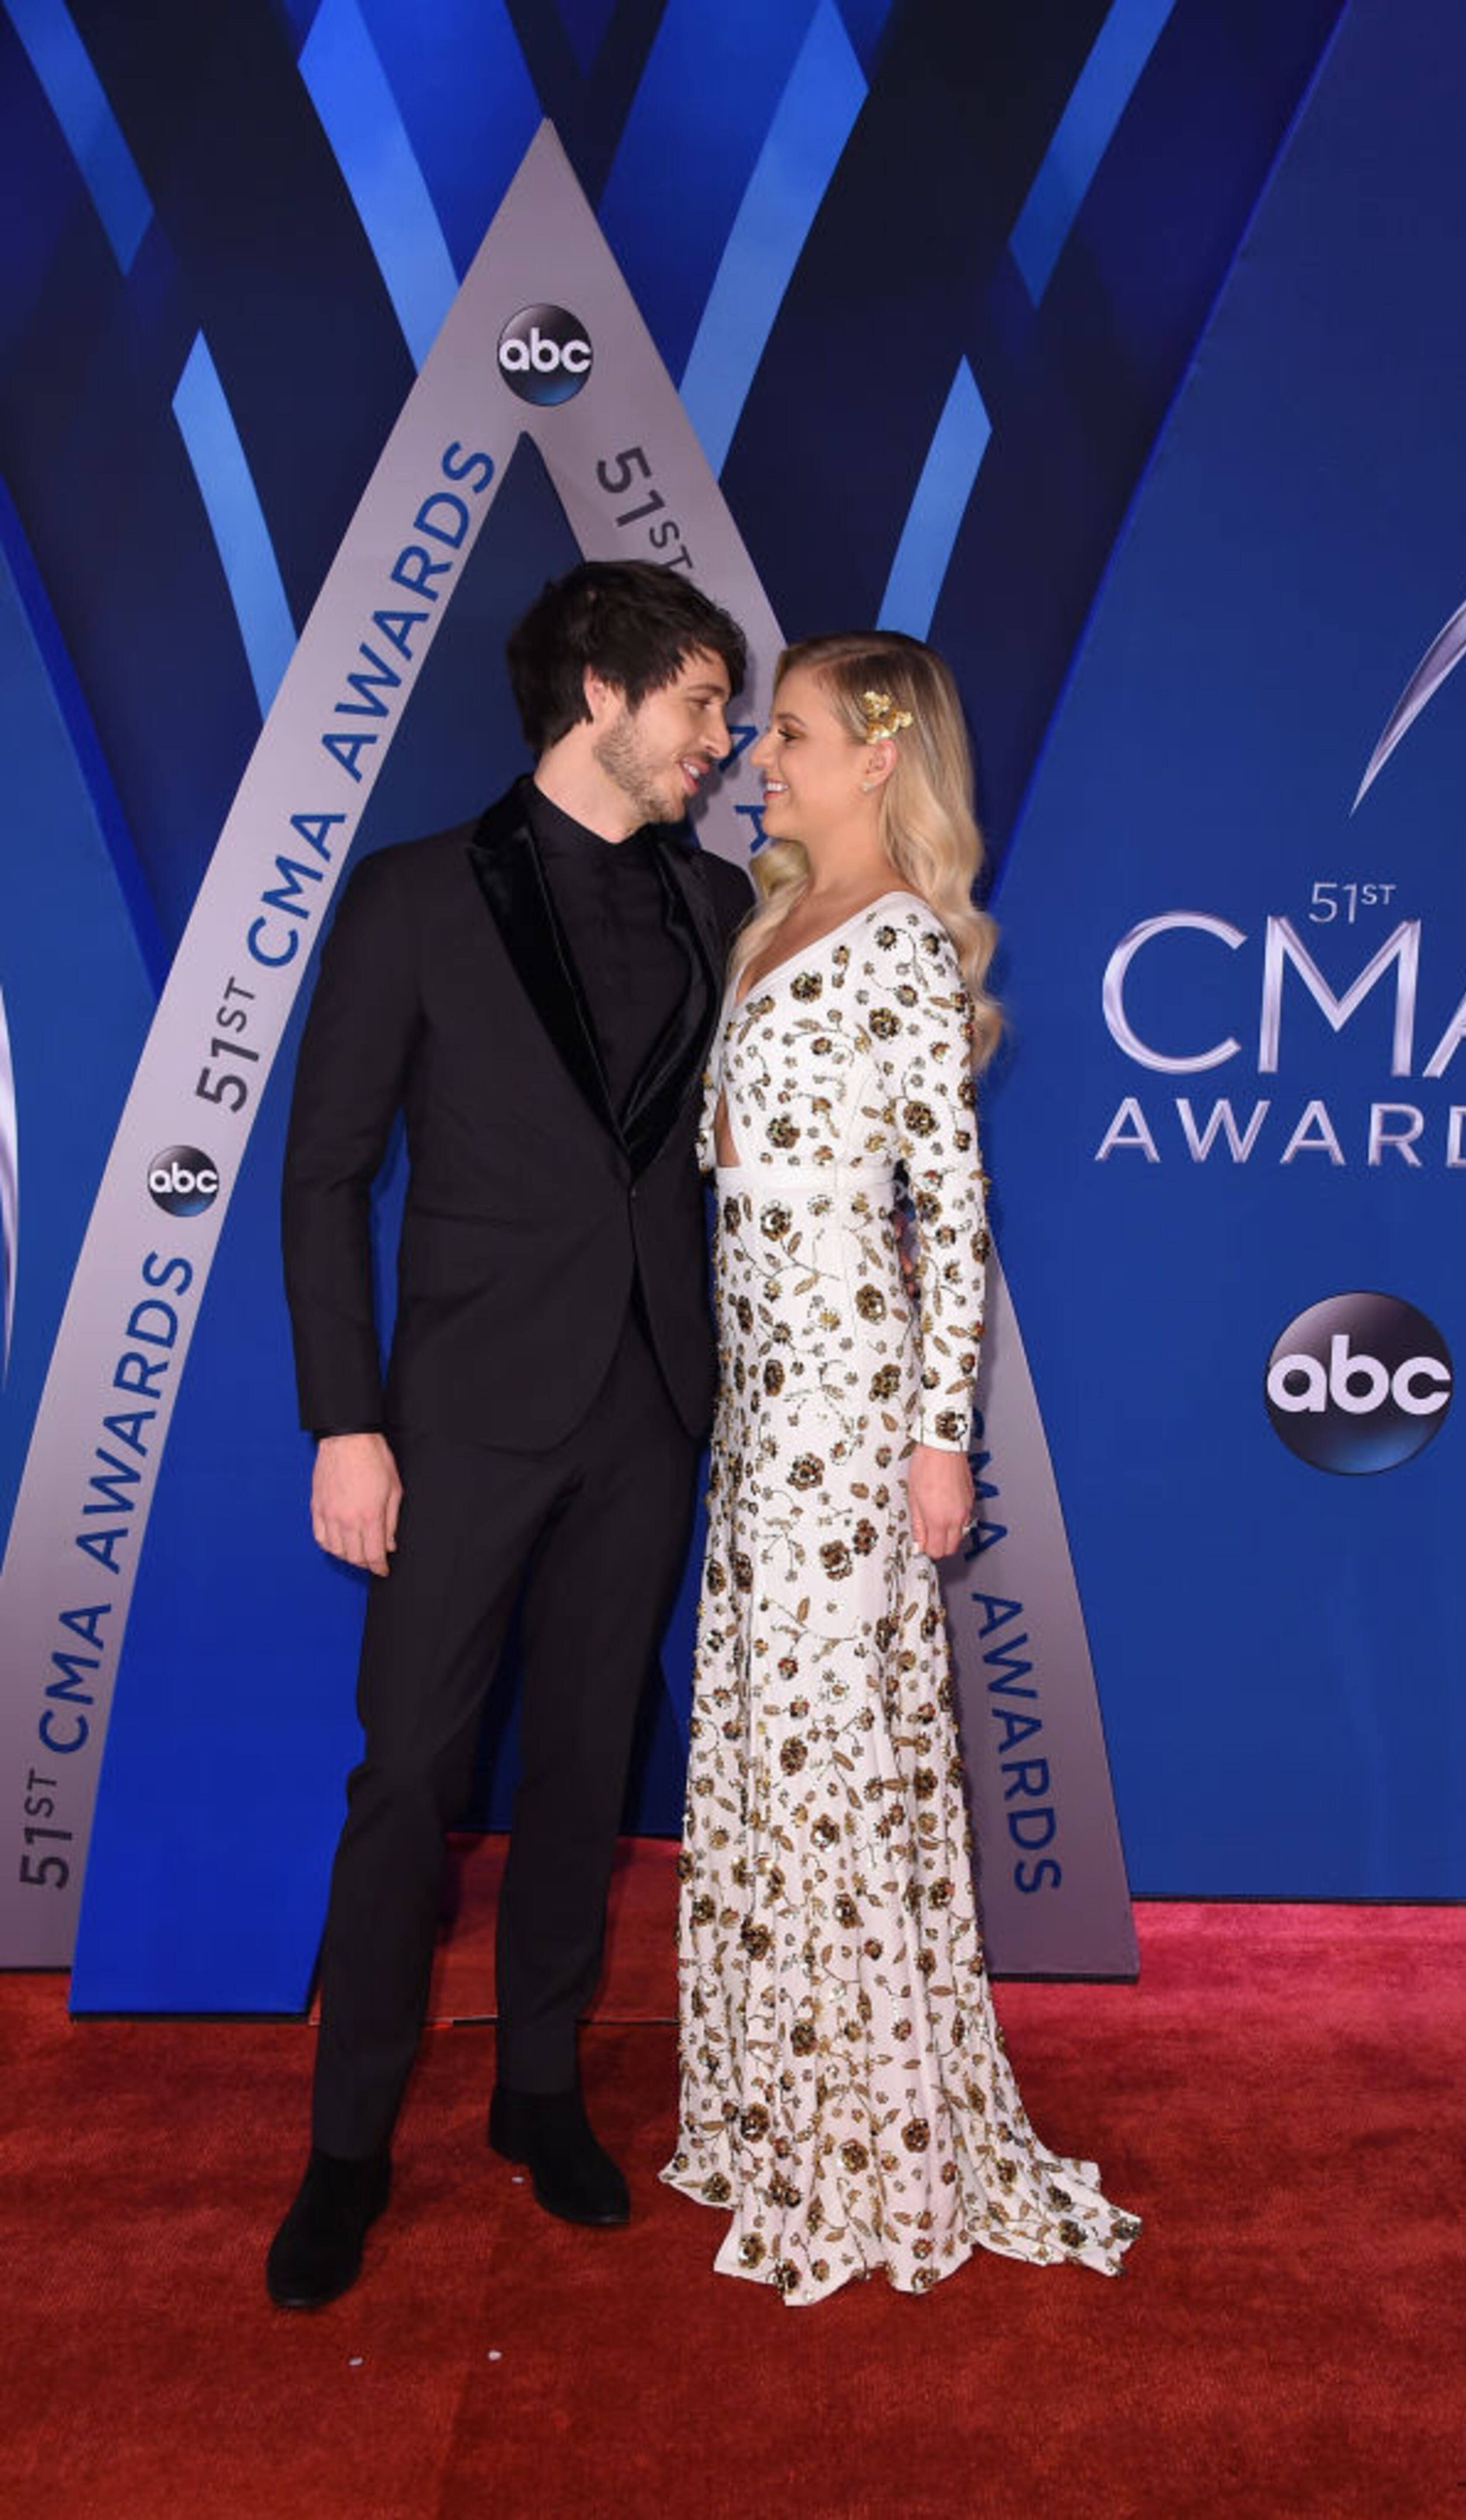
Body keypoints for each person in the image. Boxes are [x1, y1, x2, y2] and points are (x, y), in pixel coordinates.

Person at [265, 560, 754, 2311]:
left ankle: (537, 2088)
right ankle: (345, 2147)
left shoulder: (715, 899)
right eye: (702, 701)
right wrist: (348, 1421)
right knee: (408, 1777)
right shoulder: (410, 897)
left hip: (649, 1406)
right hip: (460, 1417)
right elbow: (321, 1175)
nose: (726, 736)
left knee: (582, 1774)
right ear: (602, 697)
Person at [661, 631, 1141, 2300]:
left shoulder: (904, 952)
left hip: (848, 1411)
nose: (754, 757)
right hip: (756, 1397)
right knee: (768, 1745)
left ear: (876, 754)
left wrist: (943, 1436)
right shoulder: (765, 918)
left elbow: (951, 1211)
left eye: (782, 731)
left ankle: (873, 2142)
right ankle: (781, 2109)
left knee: (834, 1759)